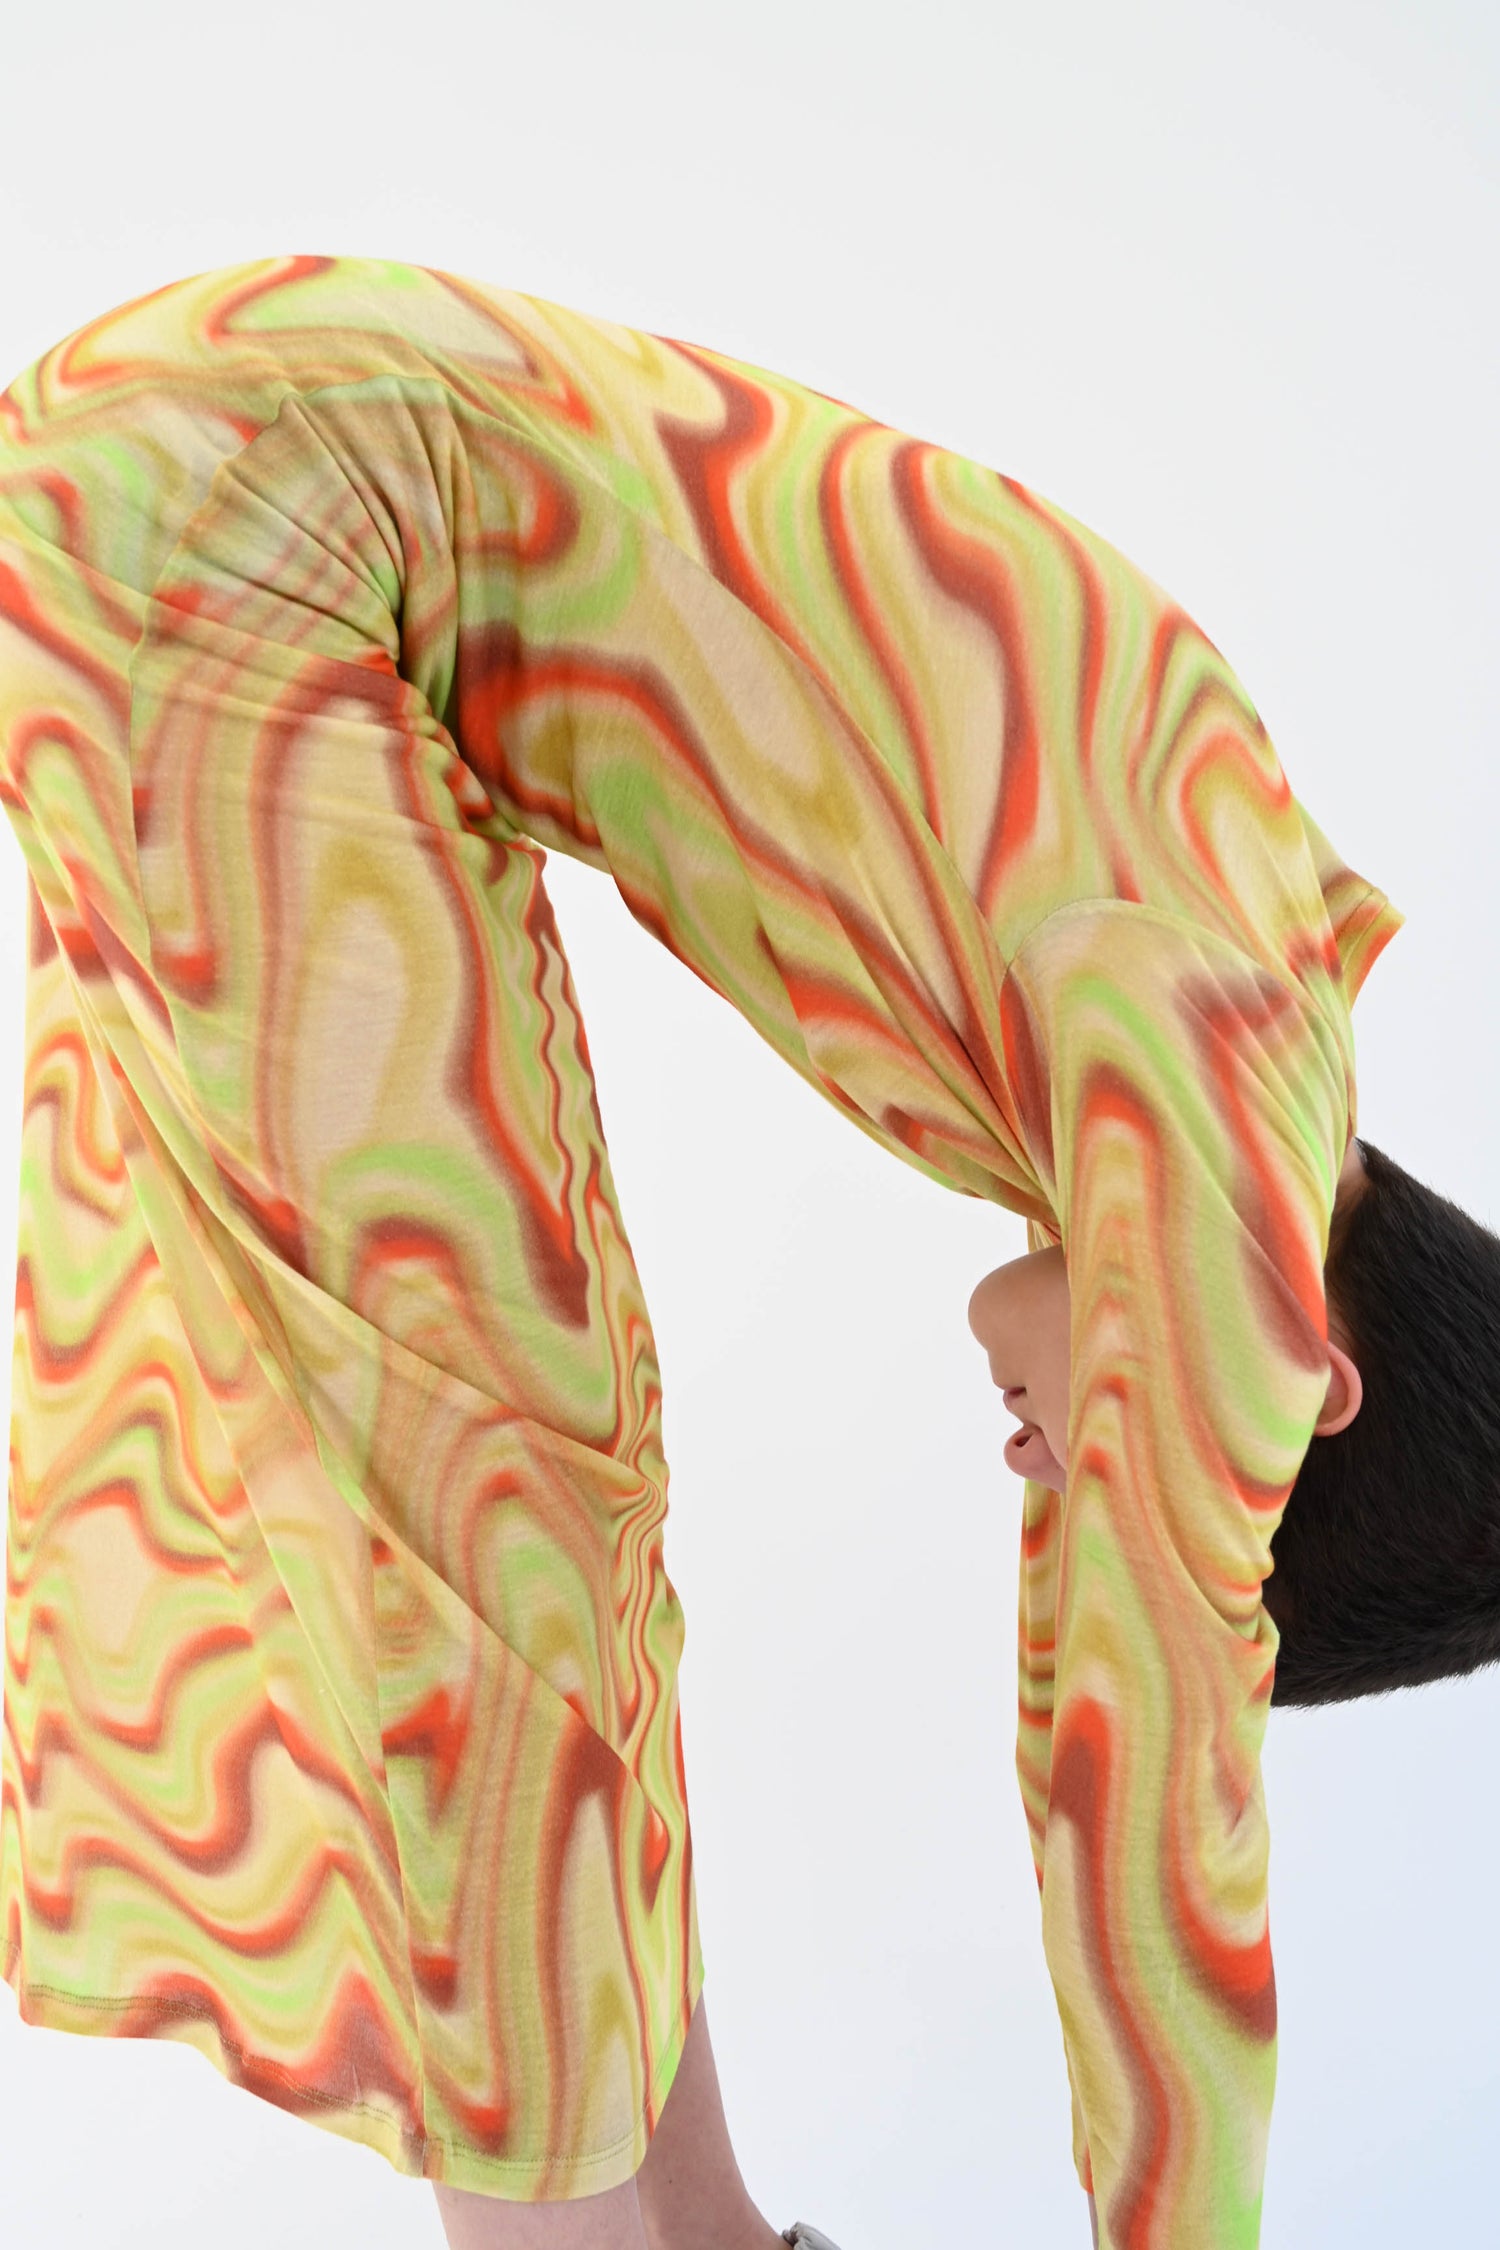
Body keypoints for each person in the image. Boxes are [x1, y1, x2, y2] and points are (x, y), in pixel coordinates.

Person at [0, 254, 1495, 2250]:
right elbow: (1150, 1820)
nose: (1054, 1478)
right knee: (493, 1499)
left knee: (563, 1485)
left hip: (240, 484)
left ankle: (702, 2233)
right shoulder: (1221, 1130)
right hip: (240, 506)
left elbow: (1080, 1679)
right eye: (1170, 1486)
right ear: (1314, 1387)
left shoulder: (1228, 1012)